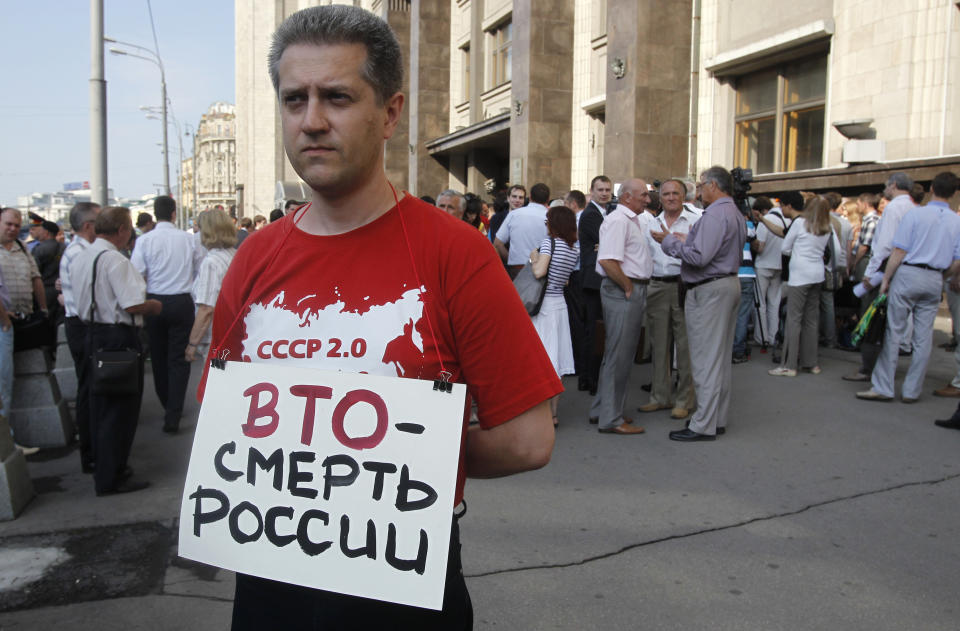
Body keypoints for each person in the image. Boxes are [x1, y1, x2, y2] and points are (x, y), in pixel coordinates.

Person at [207, 6, 558, 628]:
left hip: (403, 589)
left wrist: (402, 462)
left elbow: (527, 440)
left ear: (390, 113)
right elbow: (221, 424)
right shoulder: (254, 258)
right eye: (294, 100)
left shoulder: (455, 252)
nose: (311, 121)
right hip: (269, 584)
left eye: (336, 97)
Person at [70, 206, 161, 495]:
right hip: (117, 336)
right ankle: (112, 475)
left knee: (98, 405)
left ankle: (98, 463)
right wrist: (155, 306)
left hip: (92, 332)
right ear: (122, 230)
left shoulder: (83, 255)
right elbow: (132, 304)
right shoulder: (115, 260)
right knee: (119, 411)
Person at [652, 166, 746, 441]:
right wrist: (686, 240)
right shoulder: (733, 211)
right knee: (719, 359)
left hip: (709, 289)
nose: (699, 191)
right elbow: (712, 249)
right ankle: (715, 419)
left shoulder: (716, 213)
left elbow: (699, 257)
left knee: (705, 360)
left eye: (702, 185)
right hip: (726, 283)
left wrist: (669, 242)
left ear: (714, 186)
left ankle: (702, 424)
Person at [857, 172, 960, 402]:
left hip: (909, 273)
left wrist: (885, 279)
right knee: (923, 339)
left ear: (932, 187)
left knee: (894, 331)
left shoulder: (916, 215)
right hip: (934, 278)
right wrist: (941, 275)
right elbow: (957, 260)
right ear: (954, 193)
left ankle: (883, 387)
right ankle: (912, 390)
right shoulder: (957, 221)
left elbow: (899, 251)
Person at [131, 195, 204, 434]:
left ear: (154, 214)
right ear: (174, 213)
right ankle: (174, 411)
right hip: (182, 301)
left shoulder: (145, 241)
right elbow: (198, 268)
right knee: (179, 358)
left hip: (154, 301)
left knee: (159, 357)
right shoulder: (188, 239)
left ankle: (167, 402)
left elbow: (137, 274)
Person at [588, 178, 652, 435]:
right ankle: (611, 418)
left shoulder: (626, 219)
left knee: (616, 354)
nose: (647, 199)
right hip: (623, 290)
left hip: (625, 288)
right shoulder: (618, 221)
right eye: (643, 195)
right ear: (627, 197)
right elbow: (607, 261)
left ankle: (603, 410)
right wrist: (627, 286)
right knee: (620, 356)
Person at [844, 173, 915, 382]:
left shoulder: (893, 208)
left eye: (886, 186)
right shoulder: (912, 208)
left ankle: (868, 369)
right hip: (902, 271)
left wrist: (869, 273)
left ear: (893, 186)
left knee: (871, 318)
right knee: (892, 323)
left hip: (884, 269)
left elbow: (883, 245)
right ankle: (885, 369)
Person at [638, 179, 698, 419]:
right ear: (659, 198)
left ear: (684, 196)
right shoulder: (650, 224)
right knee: (659, 344)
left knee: (685, 346)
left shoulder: (695, 222)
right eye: (666, 194)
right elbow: (644, 256)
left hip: (684, 286)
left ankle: (684, 399)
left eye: (676, 193)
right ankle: (660, 397)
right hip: (657, 286)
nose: (671, 197)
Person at [769, 196, 840, 377]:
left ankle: (789, 364)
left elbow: (785, 248)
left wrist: (798, 253)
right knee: (811, 319)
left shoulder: (800, 224)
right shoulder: (827, 227)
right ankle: (811, 363)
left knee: (794, 319)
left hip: (799, 275)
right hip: (817, 274)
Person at [59, 202, 101, 473]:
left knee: (90, 388)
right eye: (101, 220)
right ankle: (91, 452)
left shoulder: (76, 251)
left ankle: (92, 449)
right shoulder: (80, 253)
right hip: (83, 325)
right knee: (89, 389)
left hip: (81, 323)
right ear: (88, 226)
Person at [0, 208, 47, 451]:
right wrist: (4, 320)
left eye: (17, 225)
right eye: (8, 224)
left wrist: (43, 309)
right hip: (4, 325)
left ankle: (9, 439)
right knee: (3, 386)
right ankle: (6, 444)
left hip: (24, 321)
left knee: (15, 382)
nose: (13, 228)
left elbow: (35, 278)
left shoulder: (22, 248)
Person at [530, 205, 580, 426]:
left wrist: (534, 257)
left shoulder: (548, 244)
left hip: (543, 307)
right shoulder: (573, 248)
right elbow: (566, 279)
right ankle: (553, 413)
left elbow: (539, 272)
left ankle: (538, 413)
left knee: (541, 359)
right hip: (560, 304)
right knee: (556, 360)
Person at [185, 208, 237, 363]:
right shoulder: (234, 255)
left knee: (211, 381)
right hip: (231, 333)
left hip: (215, 338)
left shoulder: (211, 262)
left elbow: (206, 308)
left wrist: (192, 343)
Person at [577, 175, 612, 396]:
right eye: (600, 189)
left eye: (607, 189)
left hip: (597, 276)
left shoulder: (604, 213)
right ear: (591, 191)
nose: (605, 193)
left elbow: (607, 243)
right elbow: (608, 241)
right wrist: (606, 244)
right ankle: (590, 379)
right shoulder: (591, 214)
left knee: (596, 330)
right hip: (593, 279)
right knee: (594, 330)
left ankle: (588, 378)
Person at [494, 182, 551, 278]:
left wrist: (511, 259)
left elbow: (497, 243)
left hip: (517, 268)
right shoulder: (551, 217)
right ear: (548, 199)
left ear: (530, 197)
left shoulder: (514, 214)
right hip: (543, 269)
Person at [32, 220, 64, 328]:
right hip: (61, 291)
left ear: (46, 233)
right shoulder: (64, 247)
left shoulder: (39, 249)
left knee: (44, 320)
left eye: (39, 230)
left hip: (44, 291)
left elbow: (34, 272)